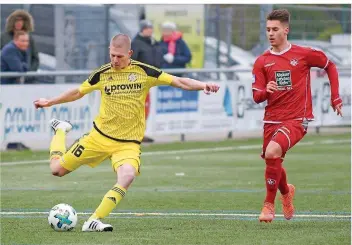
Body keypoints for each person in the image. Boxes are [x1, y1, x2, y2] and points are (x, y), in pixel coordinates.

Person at [34, 34, 220, 232]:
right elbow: (78, 92)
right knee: (57, 170)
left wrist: (203, 85)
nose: (115, 60)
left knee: (128, 175)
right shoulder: (102, 74)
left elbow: (179, 81)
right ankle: (61, 129)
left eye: (120, 56)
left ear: (129, 54)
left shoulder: (144, 72)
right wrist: (50, 102)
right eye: (112, 55)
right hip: (98, 138)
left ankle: (94, 220)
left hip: (128, 144)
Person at [251, 9, 343, 223]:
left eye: (275, 29)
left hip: (297, 118)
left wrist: (335, 96)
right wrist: (267, 91)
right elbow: (256, 96)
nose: (271, 34)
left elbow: (330, 65)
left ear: (286, 30)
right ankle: (286, 192)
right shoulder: (262, 61)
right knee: (273, 160)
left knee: (273, 151)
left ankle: (268, 206)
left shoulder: (303, 54)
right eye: (267, 30)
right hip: (271, 119)